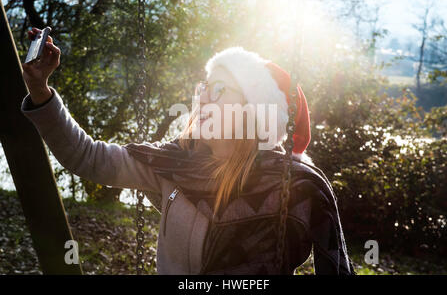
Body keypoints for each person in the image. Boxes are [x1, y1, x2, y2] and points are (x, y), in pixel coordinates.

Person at [21, 27, 354, 275]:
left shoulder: (295, 185)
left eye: (220, 89)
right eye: (204, 88)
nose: (204, 97)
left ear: (254, 109)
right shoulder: (174, 163)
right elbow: (88, 157)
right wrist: (40, 89)